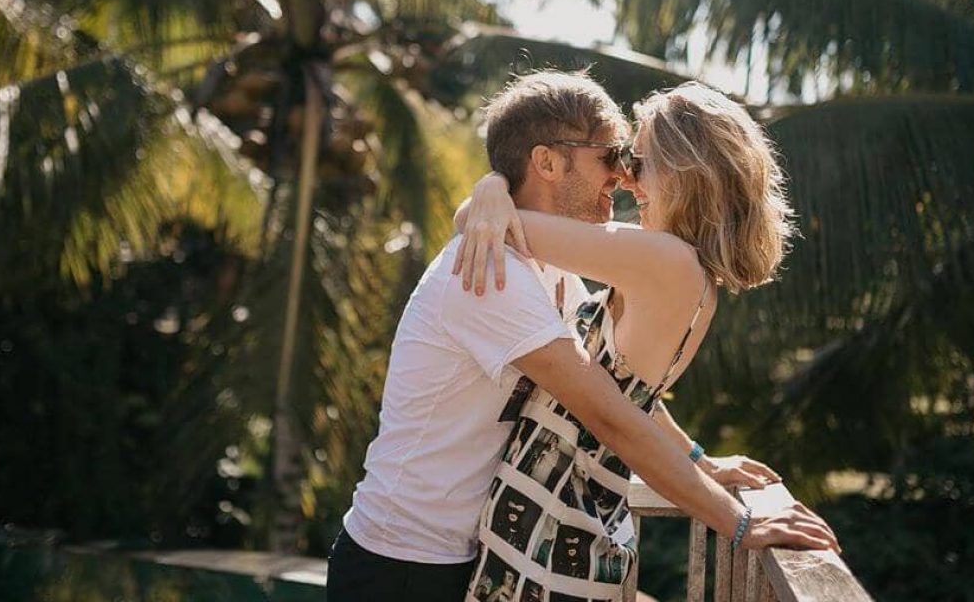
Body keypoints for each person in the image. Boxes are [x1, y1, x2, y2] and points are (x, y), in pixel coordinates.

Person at [326, 71, 837, 602]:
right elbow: (610, 409)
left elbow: (618, 392)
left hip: (478, 551)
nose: (622, 176)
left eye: (633, 160)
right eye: (612, 156)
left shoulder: (563, 264)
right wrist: (730, 512)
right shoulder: (490, 267)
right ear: (547, 163)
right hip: (404, 560)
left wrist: (489, 193)